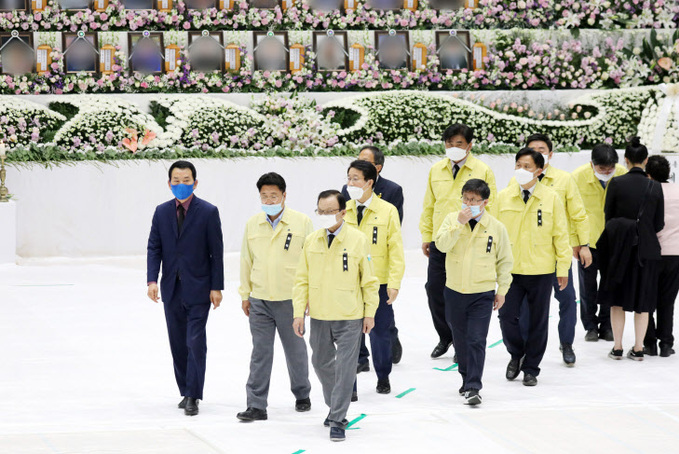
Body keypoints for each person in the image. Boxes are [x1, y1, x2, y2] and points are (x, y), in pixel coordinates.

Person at [292, 190, 379, 442]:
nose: (325, 216)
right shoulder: (311, 241)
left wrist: (369, 313)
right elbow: (301, 280)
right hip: (319, 314)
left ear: (343, 212)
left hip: (350, 314)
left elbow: (369, 281)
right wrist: (299, 312)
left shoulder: (358, 240)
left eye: (330, 211)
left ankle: (338, 418)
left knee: (345, 368)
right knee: (320, 362)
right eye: (321, 211)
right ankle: (335, 406)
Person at [146, 160, 224, 416]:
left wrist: (216, 286)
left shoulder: (208, 211)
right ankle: (185, 389)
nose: (181, 185)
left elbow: (216, 253)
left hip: (200, 288)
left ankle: (193, 394)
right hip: (171, 288)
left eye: (186, 180)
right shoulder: (161, 211)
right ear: (169, 184)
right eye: (176, 181)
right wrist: (152, 280)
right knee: (178, 343)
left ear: (195, 182)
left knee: (195, 341)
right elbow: (154, 247)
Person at [237, 172, 313, 422]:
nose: (269, 200)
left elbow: (311, 261)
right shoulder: (253, 224)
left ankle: (302, 394)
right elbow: (246, 261)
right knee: (260, 352)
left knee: (295, 350)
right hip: (259, 300)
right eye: (264, 196)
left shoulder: (301, 223)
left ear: (284, 196)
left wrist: (308, 297)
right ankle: (256, 405)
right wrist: (245, 294)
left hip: (290, 300)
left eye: (274, 195)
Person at [493, 148, 570, 387]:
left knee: (538, 321)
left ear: (539, 170)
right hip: (511, 270)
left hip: (541, 268)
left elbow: (561, 234)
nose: (521, 170)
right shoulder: (503, 197)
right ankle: (516, 354)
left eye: (527, 166)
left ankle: (531, 368)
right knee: (506, 316)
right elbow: (493, 233)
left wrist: (563, 268)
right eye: (518, 165)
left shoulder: (551, 198)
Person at [420, 123, 497, 360]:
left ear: (470, 145)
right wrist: (427, 236)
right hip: (442, 239)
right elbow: (429, 206)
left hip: (469, 243)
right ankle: (446, 336)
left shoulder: (482, 170)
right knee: (434, 290)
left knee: (461, 294)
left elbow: (492, 207)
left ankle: (461, 340)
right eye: (449, 143)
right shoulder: (436, 170)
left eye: (459, 143)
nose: (453, 147)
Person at [435, 179, 513, 405]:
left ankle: (473, 386)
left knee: (477, 339)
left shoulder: (496, 227)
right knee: (460, 340)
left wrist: (503, 290)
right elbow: (441, 246)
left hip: (482, 292)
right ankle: (466, 378)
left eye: (474, 200)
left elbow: (505, 261)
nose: (469, 203)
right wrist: (458, 224)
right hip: (454, 291)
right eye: (466, 199)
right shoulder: (451, 219)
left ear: (485, 202)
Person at [516, 134, 590, 367]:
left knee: (567, 299)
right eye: (532, 149)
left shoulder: (564, 180)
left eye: (542, 148)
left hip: (558, 254)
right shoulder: (515, 181)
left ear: (550, 153)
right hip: (528, 256)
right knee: (527, 305)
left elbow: (578, 214)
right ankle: (526, 348)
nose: (538, 151)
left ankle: (566, 343)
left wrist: (583, 244)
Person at [597, 137, 664, 361]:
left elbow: (608, 217)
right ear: (646, 160)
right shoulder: (654, 186)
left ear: (624, 160)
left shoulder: (615, 183)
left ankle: (617, 347)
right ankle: (637, 348)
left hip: (619, 249)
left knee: (617, 299)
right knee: (643, 302)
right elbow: (659, 223)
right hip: (646, 250)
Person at [341, 146, 404, 371]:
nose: (351, 183)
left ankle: (384, 371)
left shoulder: (391, 195)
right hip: (350, 276)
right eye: (349, 178)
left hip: (378, 275)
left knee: (380, 326)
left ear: (374, 174)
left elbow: (395, 244)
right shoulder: (345, 200)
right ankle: (360, 360)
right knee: (352, 325)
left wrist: (394, 282)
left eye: (356, 178)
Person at [571, 144, 627, 342]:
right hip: (588, 242)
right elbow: (570, 212)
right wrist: (575, 242)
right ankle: (590, 326)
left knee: (610, 284)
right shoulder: (577, 177)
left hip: (614, 241)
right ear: (591, 164)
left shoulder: (621, 174)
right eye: (602, 169)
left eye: (610, 168)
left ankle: (607, 325)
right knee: (587, 286)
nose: (607, 172)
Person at [644, 156, 679, 357]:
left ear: (648, 174)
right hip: (675, 253)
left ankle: (649, 342)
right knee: (668, 300)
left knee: (647, 299)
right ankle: (666, 342)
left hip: (652, 252)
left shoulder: (648, 191)